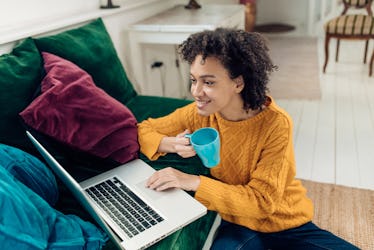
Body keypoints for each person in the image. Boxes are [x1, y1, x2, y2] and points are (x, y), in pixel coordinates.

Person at [137, 28, 358, 250]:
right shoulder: (197, 114)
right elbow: (143, 129)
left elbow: (262, 202)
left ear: (238, 83)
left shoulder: (276, 123)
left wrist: (192, 181)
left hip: (286, 222)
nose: (196, 91)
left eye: (209, 82)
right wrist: (170, 144)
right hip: (236, 221)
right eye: (193, 80)